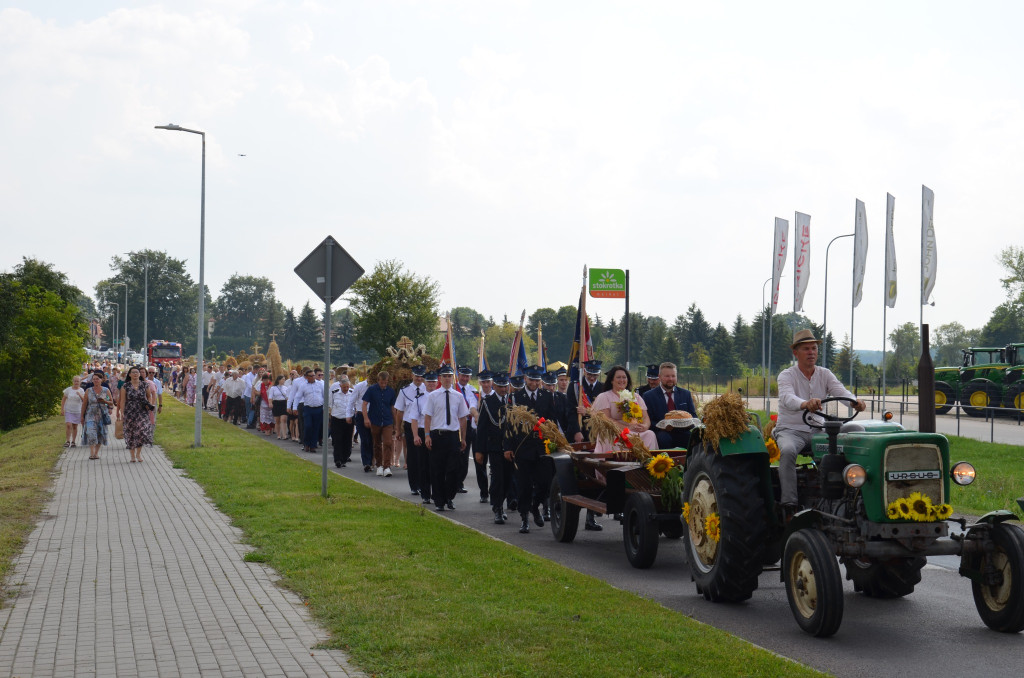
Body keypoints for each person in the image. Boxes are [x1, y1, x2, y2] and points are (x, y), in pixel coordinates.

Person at [776, 329, 866, 510]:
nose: (811, 352)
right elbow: (787, 398)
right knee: (787, 451)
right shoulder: (786, 376)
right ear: (796, 353)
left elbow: (841, 392)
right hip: (791, 430)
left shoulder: (825, 374)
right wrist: (805, 404)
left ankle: (854, 491)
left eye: (814, 348)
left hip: (818, 431)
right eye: (806, 349)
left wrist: (855, 402)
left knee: (857, 431)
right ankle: (789, 503)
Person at [504, 365, 557, 534]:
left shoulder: (547, 396)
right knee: (524, 484)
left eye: (537, 380)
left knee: (545, 482)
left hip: (542, 445)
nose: (534, 383)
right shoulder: (515, 397)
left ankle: (536, 506)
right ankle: (524, 517)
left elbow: (552, 421)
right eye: (531, 379)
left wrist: (555, 442)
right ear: (525, 379)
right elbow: (509, 424)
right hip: (522, 446)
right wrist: (508, 447)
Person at [423, 365, 469, 511]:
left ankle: (449, 496)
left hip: (452, 436)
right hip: (437, 435)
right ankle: (439, 500)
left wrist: (463, 438)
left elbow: (463, 418)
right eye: (445, 376)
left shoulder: (458, 396)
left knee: (453, 470)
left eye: (450, 376)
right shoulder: (433, 396)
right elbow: (427, 417)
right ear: (440, 379)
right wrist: (427, 436)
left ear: (452, 378)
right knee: (437, 470)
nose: (447, 378)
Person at [478, 371, 512, 523]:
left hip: (510, 447)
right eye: (500, 386)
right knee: (497, 478)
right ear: (494, 385)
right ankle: (497, 508)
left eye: (505, 386)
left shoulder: (511, 401)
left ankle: (500, 502)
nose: (503, 389)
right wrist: (479, 450)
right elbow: (482, 429)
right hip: (495, 447)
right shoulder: (487, 402)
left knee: (508, 479)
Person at [643, 362, 698, 450]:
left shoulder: (685, 394)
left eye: (673, 376)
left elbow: (693, 416)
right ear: (660, 377)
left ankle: (689, 463)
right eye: (667, 376)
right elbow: (649, 420)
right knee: (663, 438)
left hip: (683, 432)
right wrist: (663, 426)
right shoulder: (649, 396)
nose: (670, 379)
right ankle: (666, 462)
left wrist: (689, 424)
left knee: (692, 437)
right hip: (661, 433)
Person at [394, 366, 427, 494]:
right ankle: (414, 485)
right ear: (412, 376)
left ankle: (424, 483)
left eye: (421, 376)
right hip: (409, 426)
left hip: (425, 426)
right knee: (413, 457)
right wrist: (397, 430)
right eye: (416, 376)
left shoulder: (428, 389)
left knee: (424, 457)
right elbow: (399, 412)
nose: (419, 379)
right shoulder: (404, 391)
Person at [362, 371, 397, 476]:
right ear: (378, 381)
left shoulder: (391, 391)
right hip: (375, 420)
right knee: (377, 444)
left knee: (388, 443)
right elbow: (364, 404)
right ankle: (379, 465)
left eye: (385, 382)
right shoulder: (371, 389)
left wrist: (396, 423)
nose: (383, 385)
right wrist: (366, 418)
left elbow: (392, 407)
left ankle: (387, 467)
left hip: (387, 421)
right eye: (382, 382)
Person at [119, 366, 155, 463]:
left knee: (141, 431)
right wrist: (121, 412)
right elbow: (122, 400)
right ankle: (132, 456)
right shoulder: (125, 386)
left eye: (137, 372)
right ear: (129, 374)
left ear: (140, 374)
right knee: (131, 433)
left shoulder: (144, 385)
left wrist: (149, 405)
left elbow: (149, 396)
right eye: (133, 372)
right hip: (130, 412)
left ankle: (138, 454)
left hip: (142, 411)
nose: (135, 374)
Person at [412, 371, 439, 503]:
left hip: (436, 431)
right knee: (423, 465)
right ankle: (425, 494)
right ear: (425, 382)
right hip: (423, 432)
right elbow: (414, 419)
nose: (431, 384)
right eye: (429, 381)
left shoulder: (440, 396)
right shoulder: (419, 398)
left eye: (433, 381)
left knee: (436, 465)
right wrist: (416, 435)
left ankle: (436, 492)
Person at [566, 360, 606, 443]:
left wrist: (587, 412)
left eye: (595, 375)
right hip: (579, 432)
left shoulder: (603, 388)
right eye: (589, 374)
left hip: (597, 432)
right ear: (584, 371)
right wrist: (576, 431)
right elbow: (570, 411)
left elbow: (604, 412)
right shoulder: (575, 386)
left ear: (599, 373)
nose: (592, 377)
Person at [455, 366, 479, 494]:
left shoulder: (473, 390)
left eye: (467, 376)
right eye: (463, 376)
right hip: (456, 424)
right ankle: (453, 481)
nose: (465, 378)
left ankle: (460, 482)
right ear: (458, 375)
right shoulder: (454, 388)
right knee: (456, 454)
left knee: (465, 455)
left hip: (470, 425)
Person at [81, 371, 114, 460]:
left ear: (101, 380)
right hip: (90, 414)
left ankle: (96, 453)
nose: (95, 380)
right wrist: (82, 416)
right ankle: (92, 453)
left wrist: (105, 402)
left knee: (100, 433)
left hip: (102, 414)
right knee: (91, 433)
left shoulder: (106, 390)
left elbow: (111, 403)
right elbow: (84, 404)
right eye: (94, 379)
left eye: (97, 379)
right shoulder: (88, 390)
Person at [293, 369, 325, 453]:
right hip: (308, 408)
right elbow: (297, 397)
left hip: (318, 408)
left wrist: (325, 408)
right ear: (307, 377)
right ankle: (306, 443)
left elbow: (324, 396)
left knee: (316, 427)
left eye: (314, 375)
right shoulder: (303, 386)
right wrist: (294, 407)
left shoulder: (320, 384)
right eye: (311, 376)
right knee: (308, 426)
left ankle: (313, 445)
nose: (313, 377)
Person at [329, 375, 356, 467]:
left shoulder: (352, 392)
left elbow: (355, 405)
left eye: (347, 387)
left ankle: (345, 458)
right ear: (340, 386)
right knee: (337, 440)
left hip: (348, 420)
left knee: (347, 440)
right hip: (337, 419)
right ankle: (338, 459)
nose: (346, 389)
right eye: (344, 387)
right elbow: (330, 405)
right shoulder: (334, 393)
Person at [61, 375, 85, 448]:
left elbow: (84, 400)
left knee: (75, 426)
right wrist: (62, 409)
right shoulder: (68, 390)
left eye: (78, 381)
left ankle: (73, 441)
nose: (76, 382)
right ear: (73, 382)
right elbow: (63, 399)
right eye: (75, 381)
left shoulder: (81, 390)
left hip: (77, 410)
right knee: (68, 425)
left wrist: (80, 394)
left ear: (80, 382)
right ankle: (67, 441)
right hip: (69, 410)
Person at [270, 375, 290, 439]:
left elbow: (287, 397)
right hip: (276, 403)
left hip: (283, 403)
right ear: (279, 380)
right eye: (282, 379)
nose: (284, 381)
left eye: (284, 379)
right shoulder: (273, 388)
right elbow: (270, 397)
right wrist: (270, 403)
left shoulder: (285, 388)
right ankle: (278, 434)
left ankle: (284, 435)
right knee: (277, 420)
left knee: (283, 419)